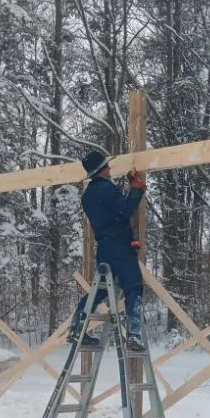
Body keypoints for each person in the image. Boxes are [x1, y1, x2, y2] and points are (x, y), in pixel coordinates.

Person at [69, 150, 146, 353]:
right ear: (101, 170)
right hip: (119, 247)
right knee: (134, 287)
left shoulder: (87, 196)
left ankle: (76, 329)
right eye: (107, 167)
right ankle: (134, 335)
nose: (110, 169)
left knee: (100, 290)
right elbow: (125, 209)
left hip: (104, 247)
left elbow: (112, 215)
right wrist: (136, 189)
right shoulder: (106, 189)